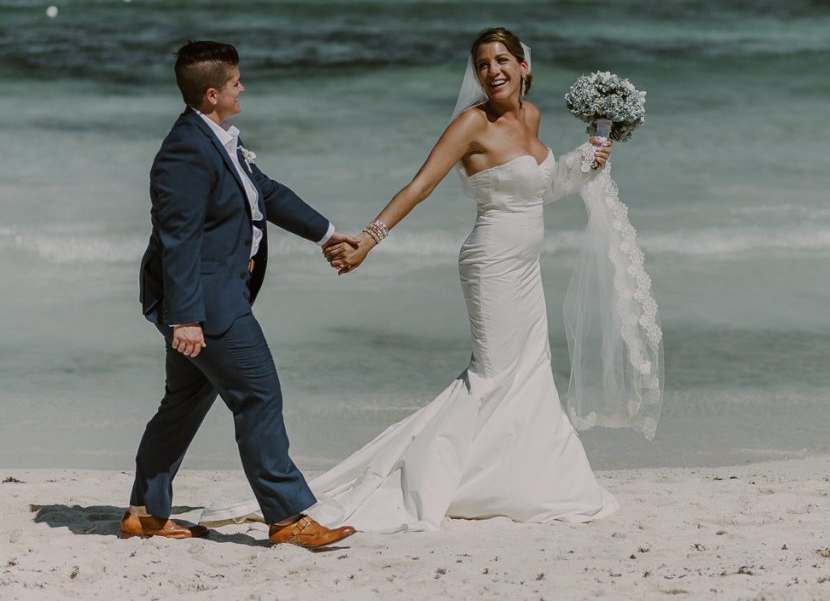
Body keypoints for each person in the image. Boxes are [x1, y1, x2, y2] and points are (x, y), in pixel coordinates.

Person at [201, 28, 661, 532]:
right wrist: (369, 240)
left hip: (527, 267)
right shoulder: (470, 124)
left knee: (529, 369)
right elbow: (419, 186)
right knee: (491, 375)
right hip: (491, 265)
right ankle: (425, 475)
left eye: (503, 60)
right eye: (483, 64)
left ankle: (529, 478)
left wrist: (586, 159)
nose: (493, 71)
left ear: (525, 67)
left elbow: (542, 188)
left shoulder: (532, 117)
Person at [125, 40, 359, 548]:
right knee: (258, 396)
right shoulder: (185, 151)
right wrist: (185, 317)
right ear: (212, 94)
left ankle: (145, 511)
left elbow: (265, 193)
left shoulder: (214, 138)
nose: (242, 87)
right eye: (235, 82)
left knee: (184, 401)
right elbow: (177, 238)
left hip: (210, 296)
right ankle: (288, 517)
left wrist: (328, 233)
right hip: (207, 302)